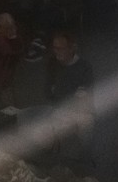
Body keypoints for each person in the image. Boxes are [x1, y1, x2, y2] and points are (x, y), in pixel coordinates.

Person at [16, 32, 95, 164]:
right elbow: (48, 91)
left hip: (80, 110)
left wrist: (62, 92)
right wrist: (64, 93)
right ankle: (49, 152)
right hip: (59, 106)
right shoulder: (53, 63)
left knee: (86, 125)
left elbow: (84, 97)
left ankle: (86, 155)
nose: (56, 51)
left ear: (72, 48)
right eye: (54, 47)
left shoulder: (84, 67)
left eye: (61, 48)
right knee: (23, 117)